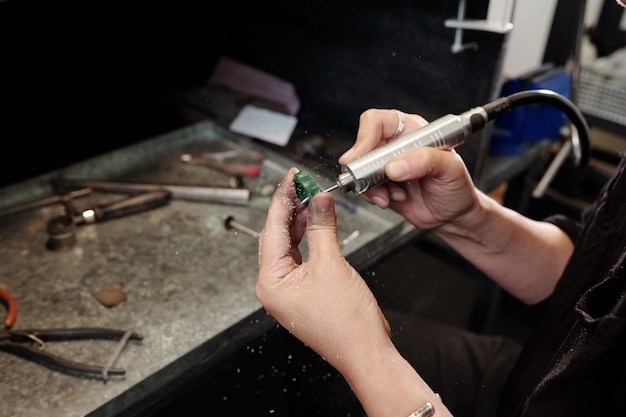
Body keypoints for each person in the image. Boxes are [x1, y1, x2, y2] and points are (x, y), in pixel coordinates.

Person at [256, 6, 626, 413]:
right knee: (304, 356)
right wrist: (466, 219)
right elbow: (586, 278)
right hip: (538, 369)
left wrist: (365, 354)